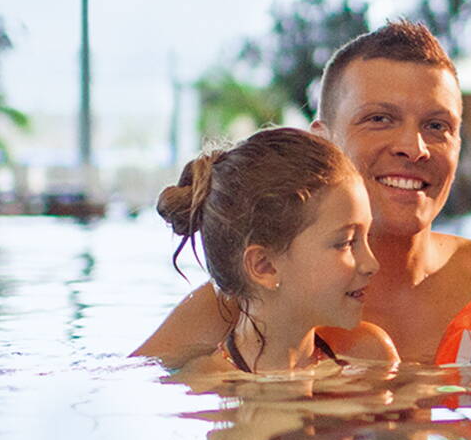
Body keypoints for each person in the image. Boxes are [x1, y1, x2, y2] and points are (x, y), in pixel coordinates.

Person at [135, 21, 471, 364]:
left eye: (438, 126)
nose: (414, 147)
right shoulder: (245, 304)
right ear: (323, 143)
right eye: (380, 119)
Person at [158, 127, 395, 374]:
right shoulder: (205, 390)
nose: (372, 264)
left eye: (367, 236)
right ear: (265, 266)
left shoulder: (370, 357)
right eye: (346, 243)